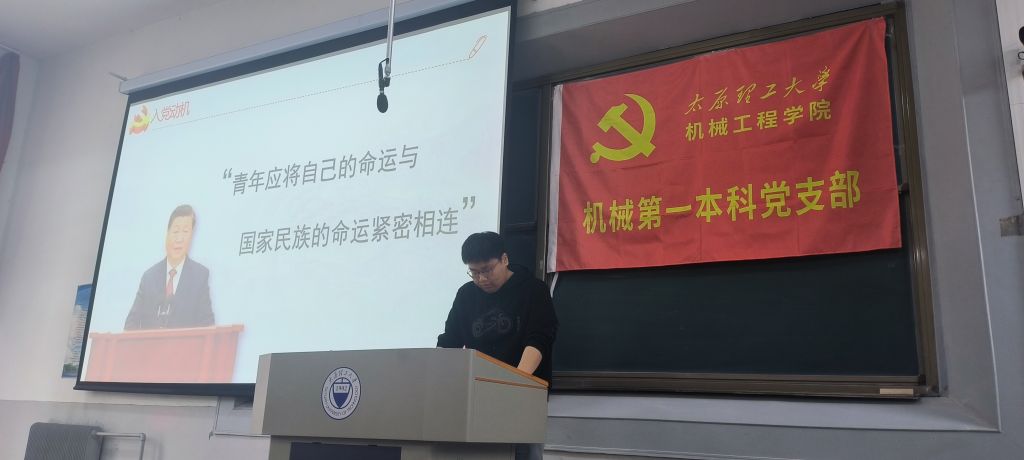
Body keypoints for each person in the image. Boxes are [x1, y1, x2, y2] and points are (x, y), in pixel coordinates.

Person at [437, 231, 557, 460]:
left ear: (504, 259)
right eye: (474, 272)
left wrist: (515, 385)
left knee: (523, 454)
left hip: (524, 394)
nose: (481, 279)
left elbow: (539, 339)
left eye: (487, 270)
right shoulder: (466, 295)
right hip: (477, 395)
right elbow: (450, 340)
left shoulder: (533, 290)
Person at [123, 205, 214, 330]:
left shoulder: (200, 276)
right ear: (167, 233)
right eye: (175, 231)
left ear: (191, 237)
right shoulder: (149, 278)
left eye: (185, 232)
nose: (179, 239)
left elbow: (208, 326)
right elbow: (130, 325)